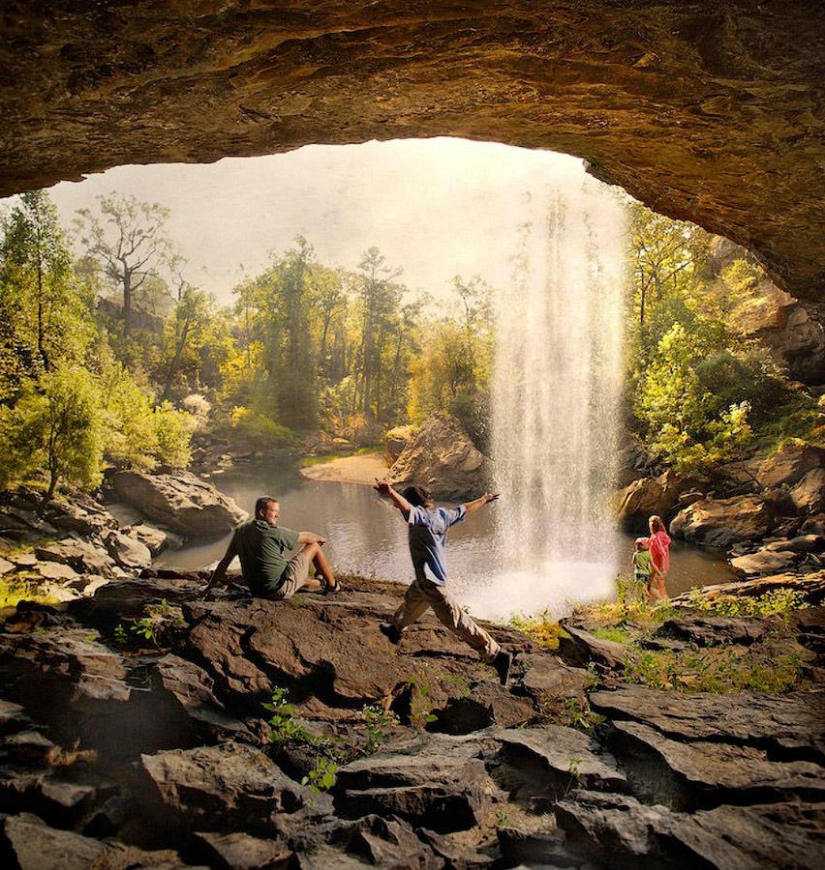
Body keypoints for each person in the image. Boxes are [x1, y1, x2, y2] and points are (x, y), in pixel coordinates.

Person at [373, 480, 512, 685]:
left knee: (456, 621)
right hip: (425, 581)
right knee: (412, 599)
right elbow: (463, 509)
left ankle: (497, 655)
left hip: (433, 584)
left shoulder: (420, 518)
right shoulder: (441, 515)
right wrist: (484, 499)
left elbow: (406, 508)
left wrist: (391, 492)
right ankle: (396, 628)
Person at [202, 496, 341, 599]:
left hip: (256, 590)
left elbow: (225, 561)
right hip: (276, 590)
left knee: (288, 567)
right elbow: (308, 538)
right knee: (314, 546)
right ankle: (333, 585)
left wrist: (209, 587)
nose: (277, 515)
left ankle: (315, 582)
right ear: (262, 513)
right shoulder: (272, 531)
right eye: (274, 511)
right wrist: (321, 539)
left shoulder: (241, 531)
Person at [631, 537, 662, 603]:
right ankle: (644, 602)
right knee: (644, 586)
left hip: (638, 573)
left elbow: (633, 563)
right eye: (647, 544)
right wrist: (659, 572)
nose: (648, 545)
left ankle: (647, 596)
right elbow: (653, 565)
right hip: (646, 574)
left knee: (641, 588)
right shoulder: (648, 554)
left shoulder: (635, 554)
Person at [647, 515, 671, 601]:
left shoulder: (656, 537)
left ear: (652, 526)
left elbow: (661, 552)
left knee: (647, 586)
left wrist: (662, 568)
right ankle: (664, 601)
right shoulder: (662, 535)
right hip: (657, 565)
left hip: (657, 566)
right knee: (660, 584)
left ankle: (663, 601)